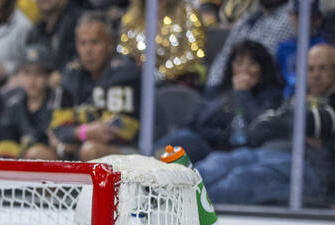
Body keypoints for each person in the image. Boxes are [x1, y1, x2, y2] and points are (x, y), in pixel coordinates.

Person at [194, 42, 335, 205]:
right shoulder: (294, 99)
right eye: (310, 69)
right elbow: (259, 128)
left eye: (323, 68)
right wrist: (291, 126)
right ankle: (167, 194)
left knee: (240, 180)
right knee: (217, 163)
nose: (316, 75)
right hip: (268, 152)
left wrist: (281, 123)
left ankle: (182, 208)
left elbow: (305, 122)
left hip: (308, 167)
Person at [154, 40, 284, 161]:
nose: (244, 69)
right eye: (239, 63)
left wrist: (242, 93)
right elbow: (197, 121)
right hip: (199, 140)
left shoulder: (271, 96)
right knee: (180, 137)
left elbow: (256, 127)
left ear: (262, 68)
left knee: (184, 141)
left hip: (228, 152)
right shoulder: (217, 91)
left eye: (252, 64)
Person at [50, 12, 141, 160]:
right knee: (40, 153)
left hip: (130, 151)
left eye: (94, 42)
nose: (88, 51)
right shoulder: (70, 75)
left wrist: (75, 134)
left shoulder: (125, 74)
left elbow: (116, 132)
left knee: (90, 150)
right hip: (82, 144)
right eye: (82, 43)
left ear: (110, 44)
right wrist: (84, 131)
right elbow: (58, 129)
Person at [0, 42, 59, 157]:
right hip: (21, 161)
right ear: (19, 75)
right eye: (27, 73)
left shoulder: (57, 101)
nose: (32, 80)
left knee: (36, 153)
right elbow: (5, 137)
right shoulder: (13, 102)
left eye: (38, 73)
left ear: (48, 76)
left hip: (54, 164)